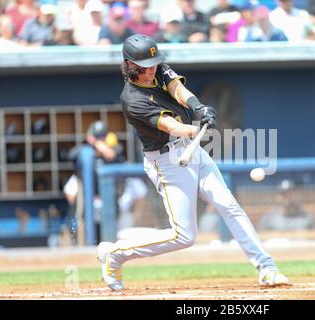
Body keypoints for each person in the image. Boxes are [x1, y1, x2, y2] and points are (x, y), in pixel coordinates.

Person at [96, 34, 290, 291]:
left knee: (228, 205)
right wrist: (195, 128)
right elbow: (171, 126)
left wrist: (198, 107)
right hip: (166, 162)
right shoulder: (132, 99)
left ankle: (266, 267)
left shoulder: (156, 68)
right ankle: (116, 253)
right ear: (130, 66)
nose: (152, 69)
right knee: (184, 236)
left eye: (154, 63)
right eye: (146, 66)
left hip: (191, 151)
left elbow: (176, 88)